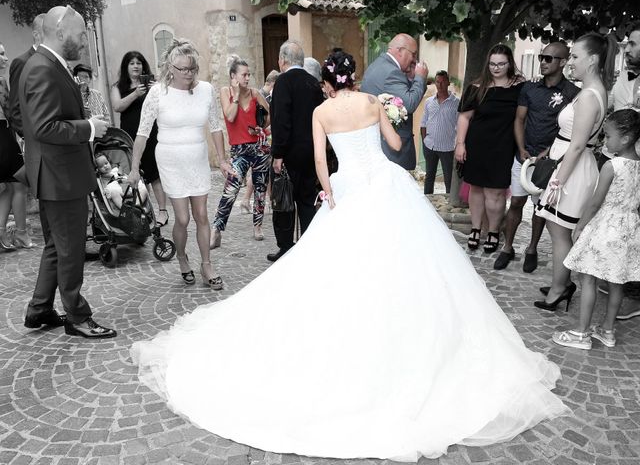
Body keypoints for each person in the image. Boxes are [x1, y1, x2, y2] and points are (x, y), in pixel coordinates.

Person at [131, 50, 568, 462]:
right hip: (387, 186)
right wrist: (393, 112)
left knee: (337, 272)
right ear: (354, 76)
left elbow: (324, 165)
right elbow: (395, 141)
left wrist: (328, 192)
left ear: (327, 81)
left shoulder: (322, 112)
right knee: (406, 268)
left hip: (351, 190)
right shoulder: (373, 101)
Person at [19, 5, 115, 338]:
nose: (83, 41)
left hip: (58, 175)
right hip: (60, 177)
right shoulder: (41, 68)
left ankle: (40, 308)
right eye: (78, 34)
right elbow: (45, 127)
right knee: (71, 247)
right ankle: (76, 315)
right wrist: (88, 128)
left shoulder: (50, 65)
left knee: (55, 246)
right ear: (60, 33)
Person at [127, 39, 228, 290]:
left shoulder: (206, 90)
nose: (188, 74)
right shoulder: (157, 92)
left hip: (197, 157)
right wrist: (133, 167)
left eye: (192, 68)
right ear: (170, 67)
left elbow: (215, 127)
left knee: (202, 214)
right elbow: (142, 132)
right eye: (183, 69)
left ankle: (206, 265)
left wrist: (223, 160)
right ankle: (182, 257)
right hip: (170, 159)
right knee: (182, 219)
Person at [534, 33, 616, 312]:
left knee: (559, 233)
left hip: (571, 171)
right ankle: (561, 282)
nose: (571, 62)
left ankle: (560, 289)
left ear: (592, 60)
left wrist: (557, 181)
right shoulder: (591, 91)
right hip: (568, 164)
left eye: (576, 57)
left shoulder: (591, 96)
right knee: (557, 231)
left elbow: (579, 144)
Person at [552, 109, 640, 350]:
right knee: (616, 282)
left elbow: (595, 202)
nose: (604, 141)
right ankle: (608, 331)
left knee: (587, 278)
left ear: (625, 139)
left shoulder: (612, 166)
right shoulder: (638, 166)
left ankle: (581, 334)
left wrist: (580, 226)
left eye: (608, 136)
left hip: (607, 227)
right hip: (629, 229)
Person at [493, 42, 579, 272]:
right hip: (522, 156)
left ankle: (531, 249)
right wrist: (521, 149)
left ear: (563, 62)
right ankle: (507, 248)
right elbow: (519, 119)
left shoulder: (573, 93)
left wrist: (546, 154)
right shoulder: (529, 89)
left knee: (540, 209)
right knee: (517, 203)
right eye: (542, 57)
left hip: (551, 162)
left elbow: (570, 130)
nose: (543, 62)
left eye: (549, 58)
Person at [455, 44, 525, 253]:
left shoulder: (520, 87)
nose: (496, 68)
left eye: (501, 64)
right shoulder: (476, 87)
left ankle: (493, 231)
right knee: (475, 189)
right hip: (476, 145)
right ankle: (476, 229)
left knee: (496, 193)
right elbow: (464, 117)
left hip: (503, 146)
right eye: (492, 64)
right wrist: (460, 144)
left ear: (510, 63)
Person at [266, 40, 324, 262]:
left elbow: (281, 121)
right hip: (311, 153)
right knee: (306, 200)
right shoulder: (313, 83)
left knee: (283, 201)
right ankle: (309, 245)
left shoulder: (283, 82)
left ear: (282, 60)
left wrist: (278, 155)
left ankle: (286, 247)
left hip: (289, 153)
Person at [210, 55, 271, 247]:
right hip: (239, 150)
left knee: (260, 189)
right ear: (233, 77)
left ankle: (258, 226)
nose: (247, 78)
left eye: (249, 75)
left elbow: (270, 114)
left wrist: (260, 127)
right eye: (244, 75)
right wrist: (236, 96)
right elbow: (229, 115)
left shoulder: (255, 93)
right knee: (231, 189)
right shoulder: (225, 92)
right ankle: (217, 229)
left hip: (259, 146)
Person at [111, 51, 169, 228]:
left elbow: (165, 105)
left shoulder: (153, 86)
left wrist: (157, 89)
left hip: (150, 134)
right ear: (126, 67)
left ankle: (162, 211)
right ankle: (144, 209)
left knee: (154, 173)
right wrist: (136, 94)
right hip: (129, 135)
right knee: (136, 174)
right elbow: (117, 106)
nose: (136, 66)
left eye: (139, 63)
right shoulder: (118, 87)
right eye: (132, 63)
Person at [5, 14, 46, 250]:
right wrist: (30, 136)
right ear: (37, 33)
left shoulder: (49, 59)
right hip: (35, 140)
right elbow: (14, 108)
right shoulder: (22, 61)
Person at [609, 24, 640, 321]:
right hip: (623, 163)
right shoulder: (623, 78)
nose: (626, 49)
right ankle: (622, 282)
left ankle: (634, 294)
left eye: (632, 44)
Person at [360, 33, 428, 170]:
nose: (415, 60)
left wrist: (410, 79)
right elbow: (409, 104)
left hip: (377, 144)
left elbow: (399, 96)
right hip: (392, 151)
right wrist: (420, 78)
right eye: (413, 54)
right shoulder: (392, 73)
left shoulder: (377, 65)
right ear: (401, 50)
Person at [0, 41, 29, 250]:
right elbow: (10, 110)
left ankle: (5, 233)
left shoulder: (2, 80)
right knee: (17, 183)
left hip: (5, 132)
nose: (5, 58)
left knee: (11, 187)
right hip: (3, 135)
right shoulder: (1, 81)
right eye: (1, 54)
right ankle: (19, 233)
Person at [240, 69, 279, 213]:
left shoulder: (261, 94)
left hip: (263, 137)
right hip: (262, 138)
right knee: (262, 171)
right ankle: (268, 201)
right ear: (273, 83)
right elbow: (259, 121)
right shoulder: (262, 96)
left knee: (261, 171)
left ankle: (254, 201)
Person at [419, 70, 458, 194]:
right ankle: (428, 204)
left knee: (448, 179)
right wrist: (425, 141)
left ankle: (449, 204)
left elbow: (460, 125)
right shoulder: (429, 102)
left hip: (448, 148)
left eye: (442, 82)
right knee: (429, 177)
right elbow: (423, 122)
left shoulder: (456, 103)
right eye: (437, 82)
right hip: (430, 146)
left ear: (448, 83)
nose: (440, 85)